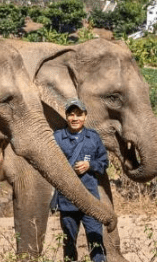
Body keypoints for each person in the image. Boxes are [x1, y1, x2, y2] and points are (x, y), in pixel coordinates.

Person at [51, 98, 109, 262]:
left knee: (96, 243)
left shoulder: (93, 137)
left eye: (79, 114)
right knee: (68, 245)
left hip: (90, 200)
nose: (75, 118)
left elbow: (104, 163)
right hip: (67, 201)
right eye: (71, 114)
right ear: (66, 116)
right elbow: (50, 166)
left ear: (85, 116)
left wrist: (90, 165)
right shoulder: (57, 138)